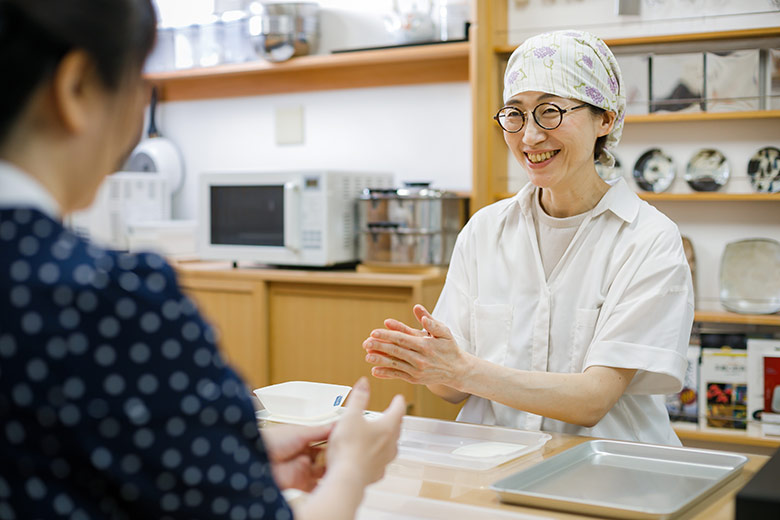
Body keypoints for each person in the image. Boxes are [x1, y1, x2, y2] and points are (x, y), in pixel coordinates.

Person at [0, 1, 404, 519]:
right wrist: (351, 468)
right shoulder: (111, 301)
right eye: (138, 81)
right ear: (76, 87)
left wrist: (232, 461)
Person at [362, 30, 694, 446]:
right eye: (515, 114)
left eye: (550, 112)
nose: (530, 136)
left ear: (605, 119)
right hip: (493, 463)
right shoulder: (485, 230)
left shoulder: (648, 239)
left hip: (608, 468)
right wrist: (431, 362)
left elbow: (593, 400)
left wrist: (463, 369)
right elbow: (451, 389)